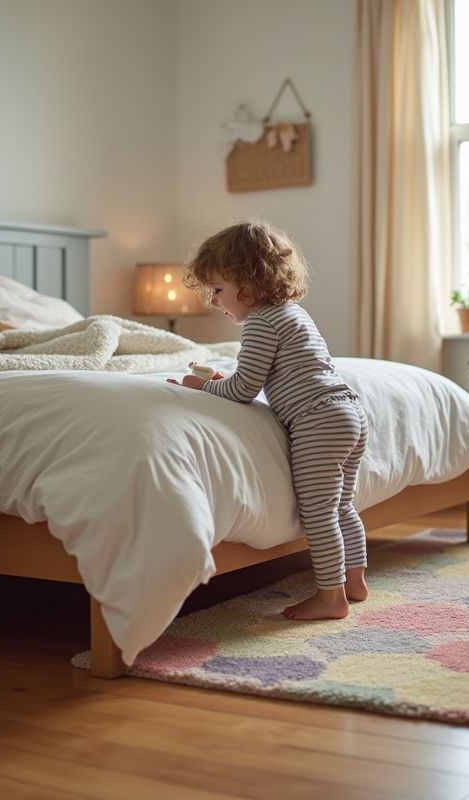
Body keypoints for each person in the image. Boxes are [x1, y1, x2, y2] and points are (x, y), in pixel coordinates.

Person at [167, 219, 369, 620]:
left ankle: (331, 598)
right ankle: (354, 580)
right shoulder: (292, 314)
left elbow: (243, 391)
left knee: (318, 510)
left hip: (317, 420)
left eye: (218, 289)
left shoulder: (260, 323)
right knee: (342, 505)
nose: (213, 301)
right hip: (348, 412)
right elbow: (258, 377)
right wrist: (230, 379)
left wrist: (202, 386)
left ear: (251, 283)